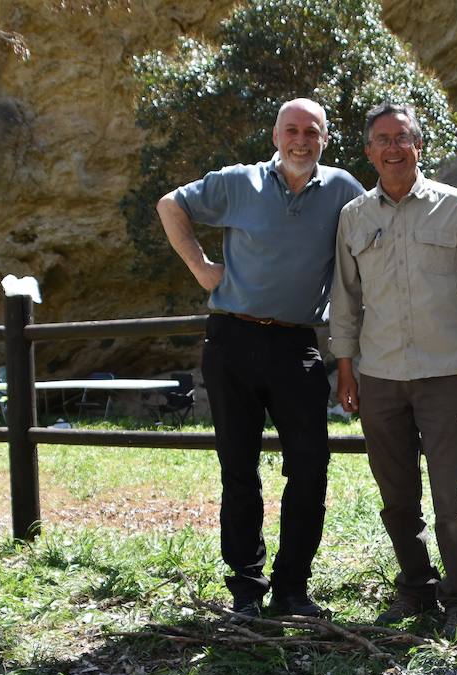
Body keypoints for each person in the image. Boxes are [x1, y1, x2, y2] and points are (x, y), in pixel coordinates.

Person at [157, 97, 363, 619]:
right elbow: (170, 205)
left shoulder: (343, 190)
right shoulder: (238, 181)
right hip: (232, 340)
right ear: (275, 136)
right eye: (291, 130)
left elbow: (376, 241)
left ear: (324, 139)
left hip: (297, 345)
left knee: (310, 468)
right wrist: (201, 266)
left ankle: (292, 589)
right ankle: (246, 590)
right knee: (239, 470)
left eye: (311, 132)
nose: (301, 141)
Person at [331, 102, 457, 638]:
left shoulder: (455, 207)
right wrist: (346, 368)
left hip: (443, 375)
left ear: (418, 146)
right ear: (369, 151)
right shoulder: (353, 217)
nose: (393, 148)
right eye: (382, 140)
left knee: (452, 494)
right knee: (396, 496)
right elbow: (345, 298)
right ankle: (415, 587)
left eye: (402, 138)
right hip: (378, 377)